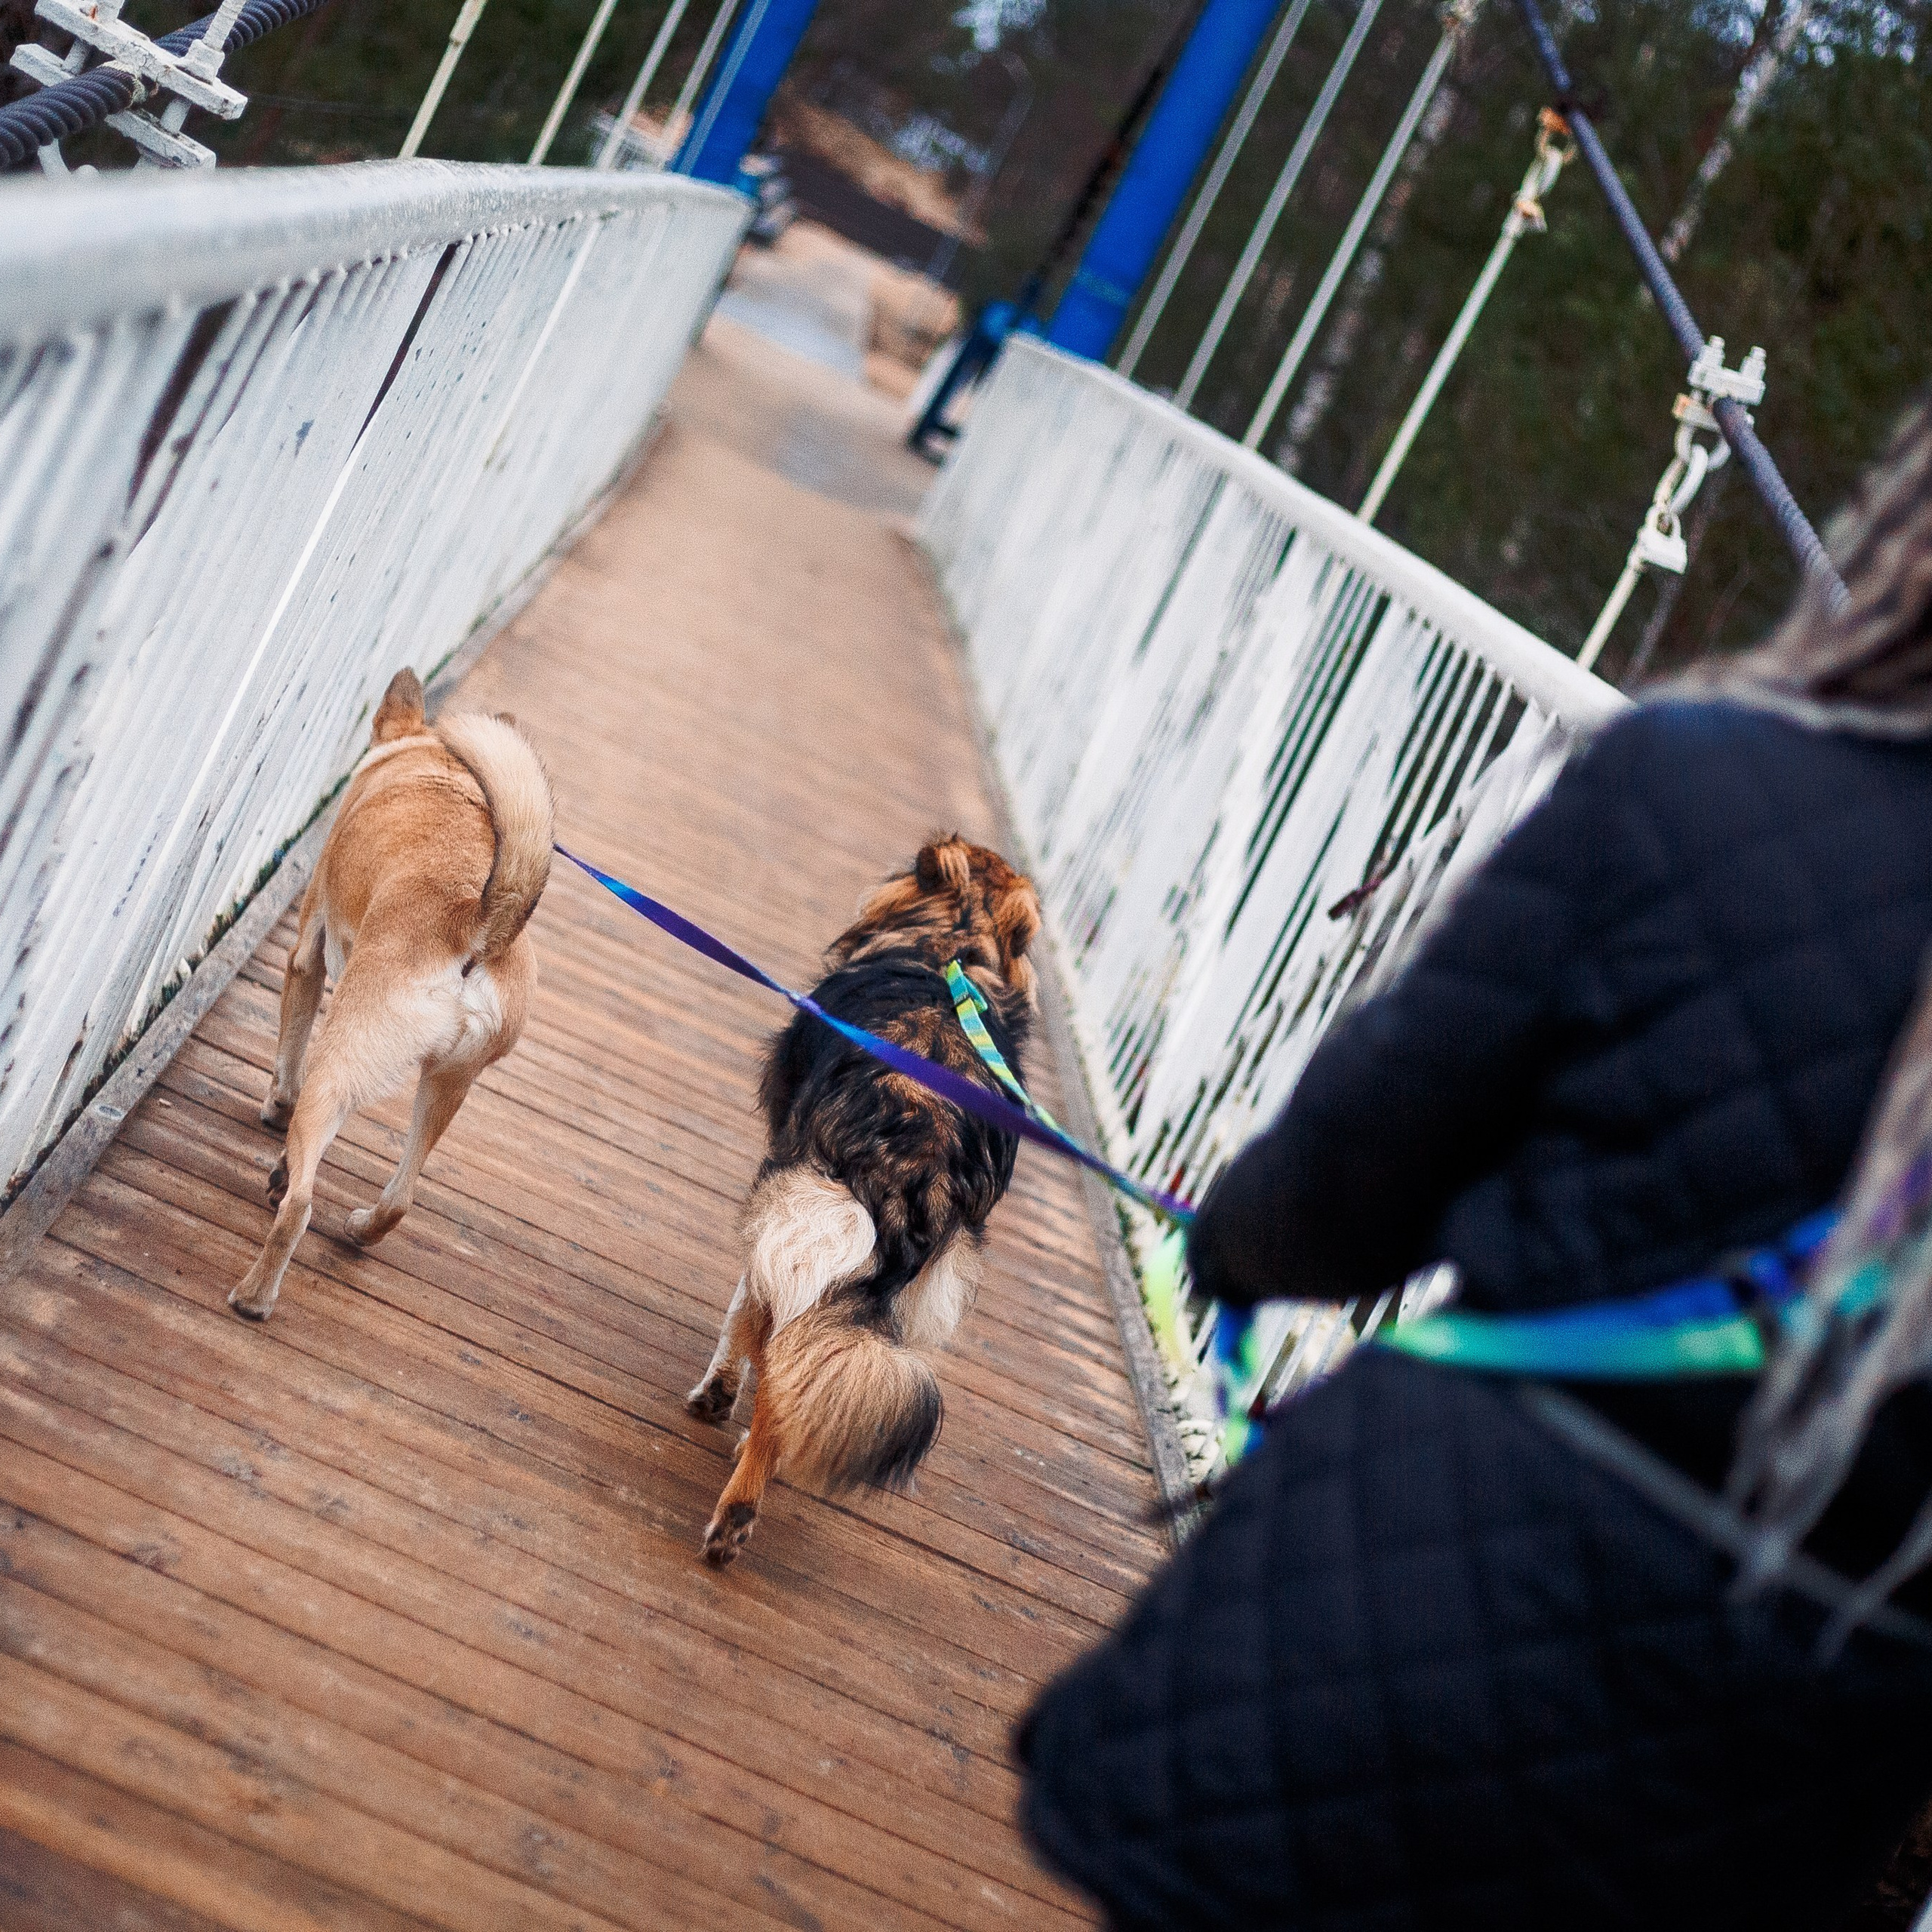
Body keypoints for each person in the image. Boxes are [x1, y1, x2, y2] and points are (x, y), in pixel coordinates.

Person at [1016, 402, 1932, 1931]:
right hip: (1773, 1784)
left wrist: (1235, 1245)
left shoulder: (1694, 781)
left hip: (1390, 1643)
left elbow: (1339, 1194)